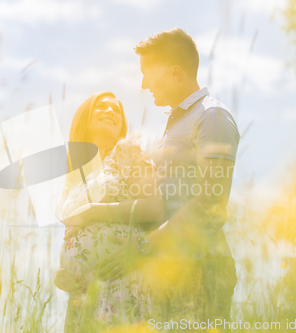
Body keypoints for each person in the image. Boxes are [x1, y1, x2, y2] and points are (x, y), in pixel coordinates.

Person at [98, 27, 240, 331]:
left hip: (200, 269)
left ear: (175, 72)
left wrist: (143, 249)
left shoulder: (211, 116)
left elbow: (210, 202)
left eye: (147, 72)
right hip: (165, 273)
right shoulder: (173, 125)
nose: (143, 83)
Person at [54, 91, 164, 332]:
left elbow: (153, 207)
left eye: (117, 110)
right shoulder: (75, 173)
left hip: (120, 279)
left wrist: (93, 211)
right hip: (83, 295)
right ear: (84, 118)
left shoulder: (126, 150)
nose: (111, 112)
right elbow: (72, 234)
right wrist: (62, 275)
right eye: (101, 107)